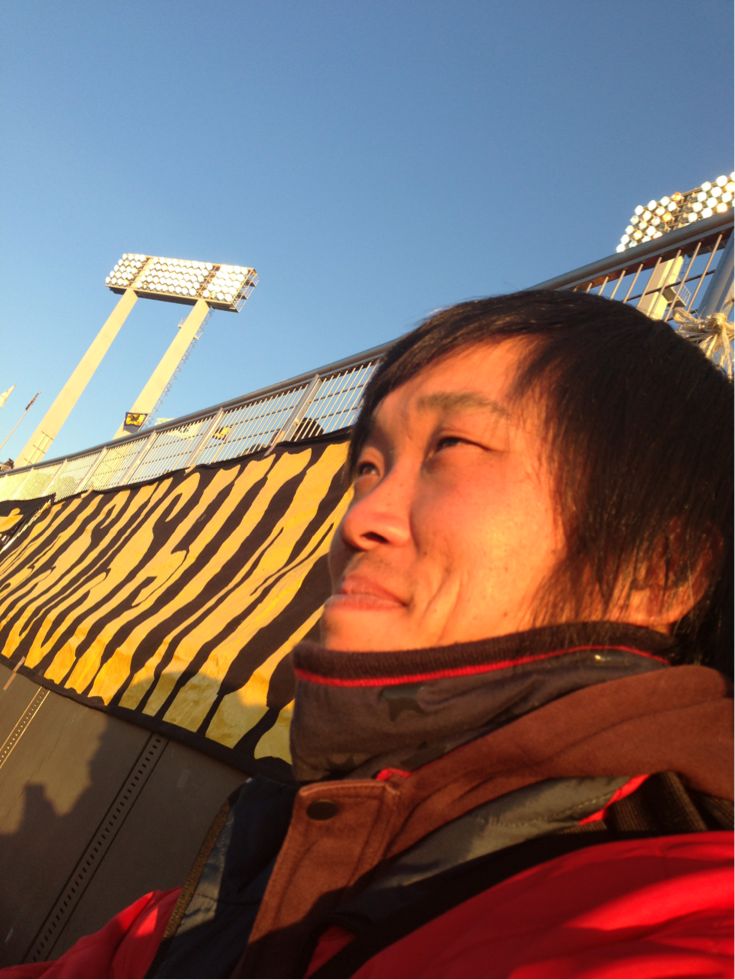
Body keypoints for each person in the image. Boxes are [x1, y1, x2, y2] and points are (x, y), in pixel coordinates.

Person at [2, 289, 732, 978]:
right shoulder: (232, 890)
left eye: (453, 446)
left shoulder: (665, 930)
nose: (359, 518)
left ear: (659, 570)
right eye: (369, 468)